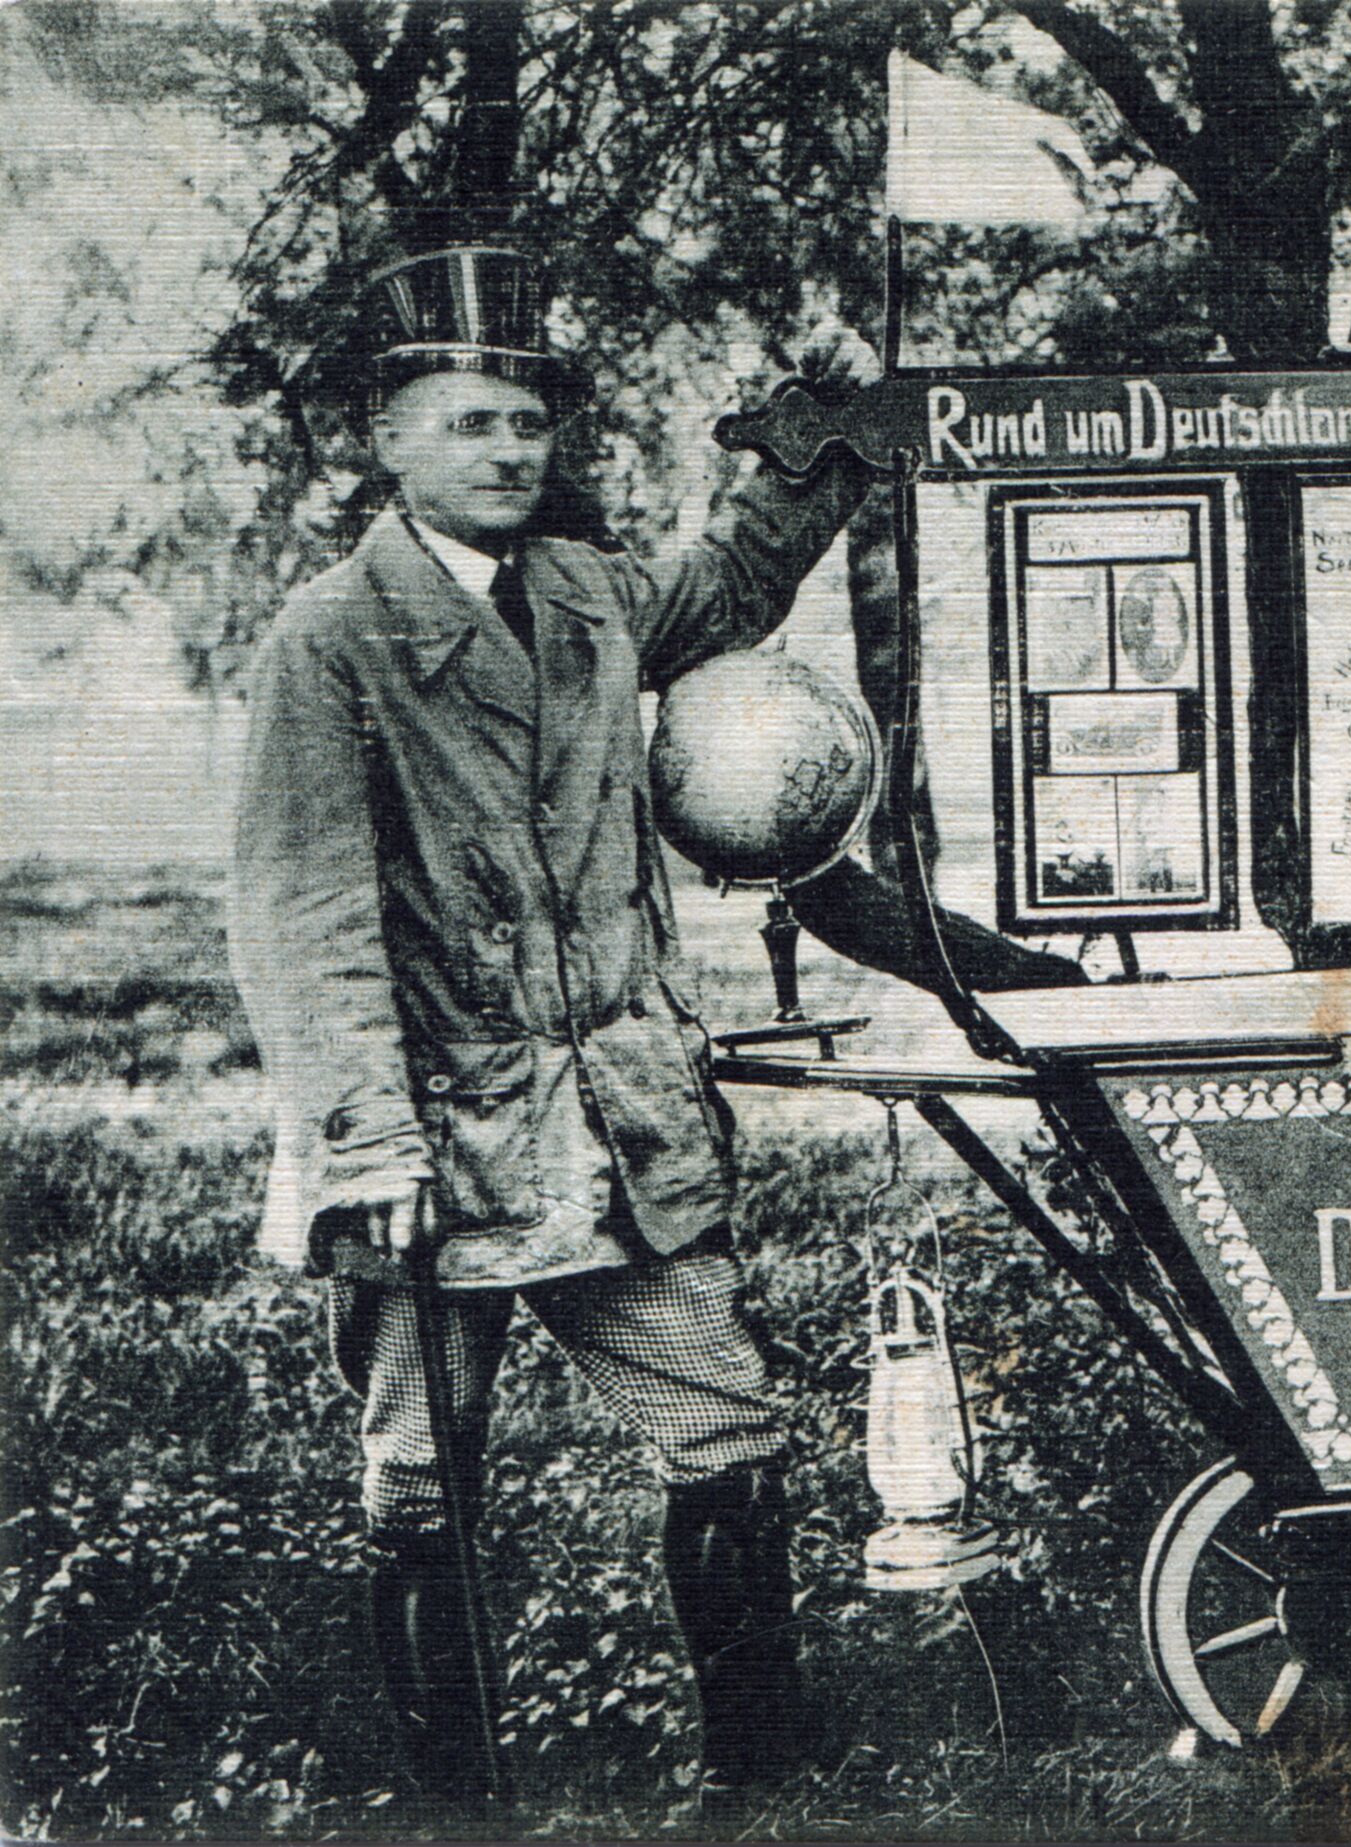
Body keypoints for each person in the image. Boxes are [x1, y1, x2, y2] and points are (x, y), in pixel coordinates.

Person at [228, 245, 887, 1820]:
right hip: (428, 1148)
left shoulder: (589, 593)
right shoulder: (329, 639)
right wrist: (368, 1144)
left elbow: (728, 589)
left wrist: (819, 451)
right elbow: (305, 917)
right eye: (470, 423)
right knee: (422, 1476)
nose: (509, 451)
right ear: (389, 440)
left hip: (614, 1132)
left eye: (528, 423)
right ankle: (461, 1810)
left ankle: (762, 1784)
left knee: (725, 1427)